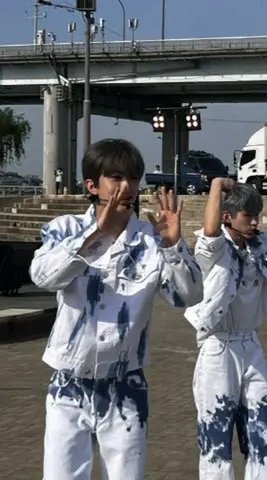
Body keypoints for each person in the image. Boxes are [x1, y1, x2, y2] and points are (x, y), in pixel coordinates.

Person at [29, 138, 204, 480]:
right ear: (92, 185)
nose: (127, 187)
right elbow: (43, 276)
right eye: (116, 177)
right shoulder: (65, 229)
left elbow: (188, 296)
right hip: (68, 384)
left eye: (134, 179)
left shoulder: (151, 240)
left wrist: (173, 246)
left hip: (125, 386)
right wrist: (96, 235)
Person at [184, 176, 267, 480]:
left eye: (258, 215)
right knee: (216, 432)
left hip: (251, 345)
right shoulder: (213, 249)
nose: (256, 222)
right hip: (218, 347)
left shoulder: (265, 244)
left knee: (263, 428)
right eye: (248, 216)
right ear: (228, 216)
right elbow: (212, 231)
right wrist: (216, 186)